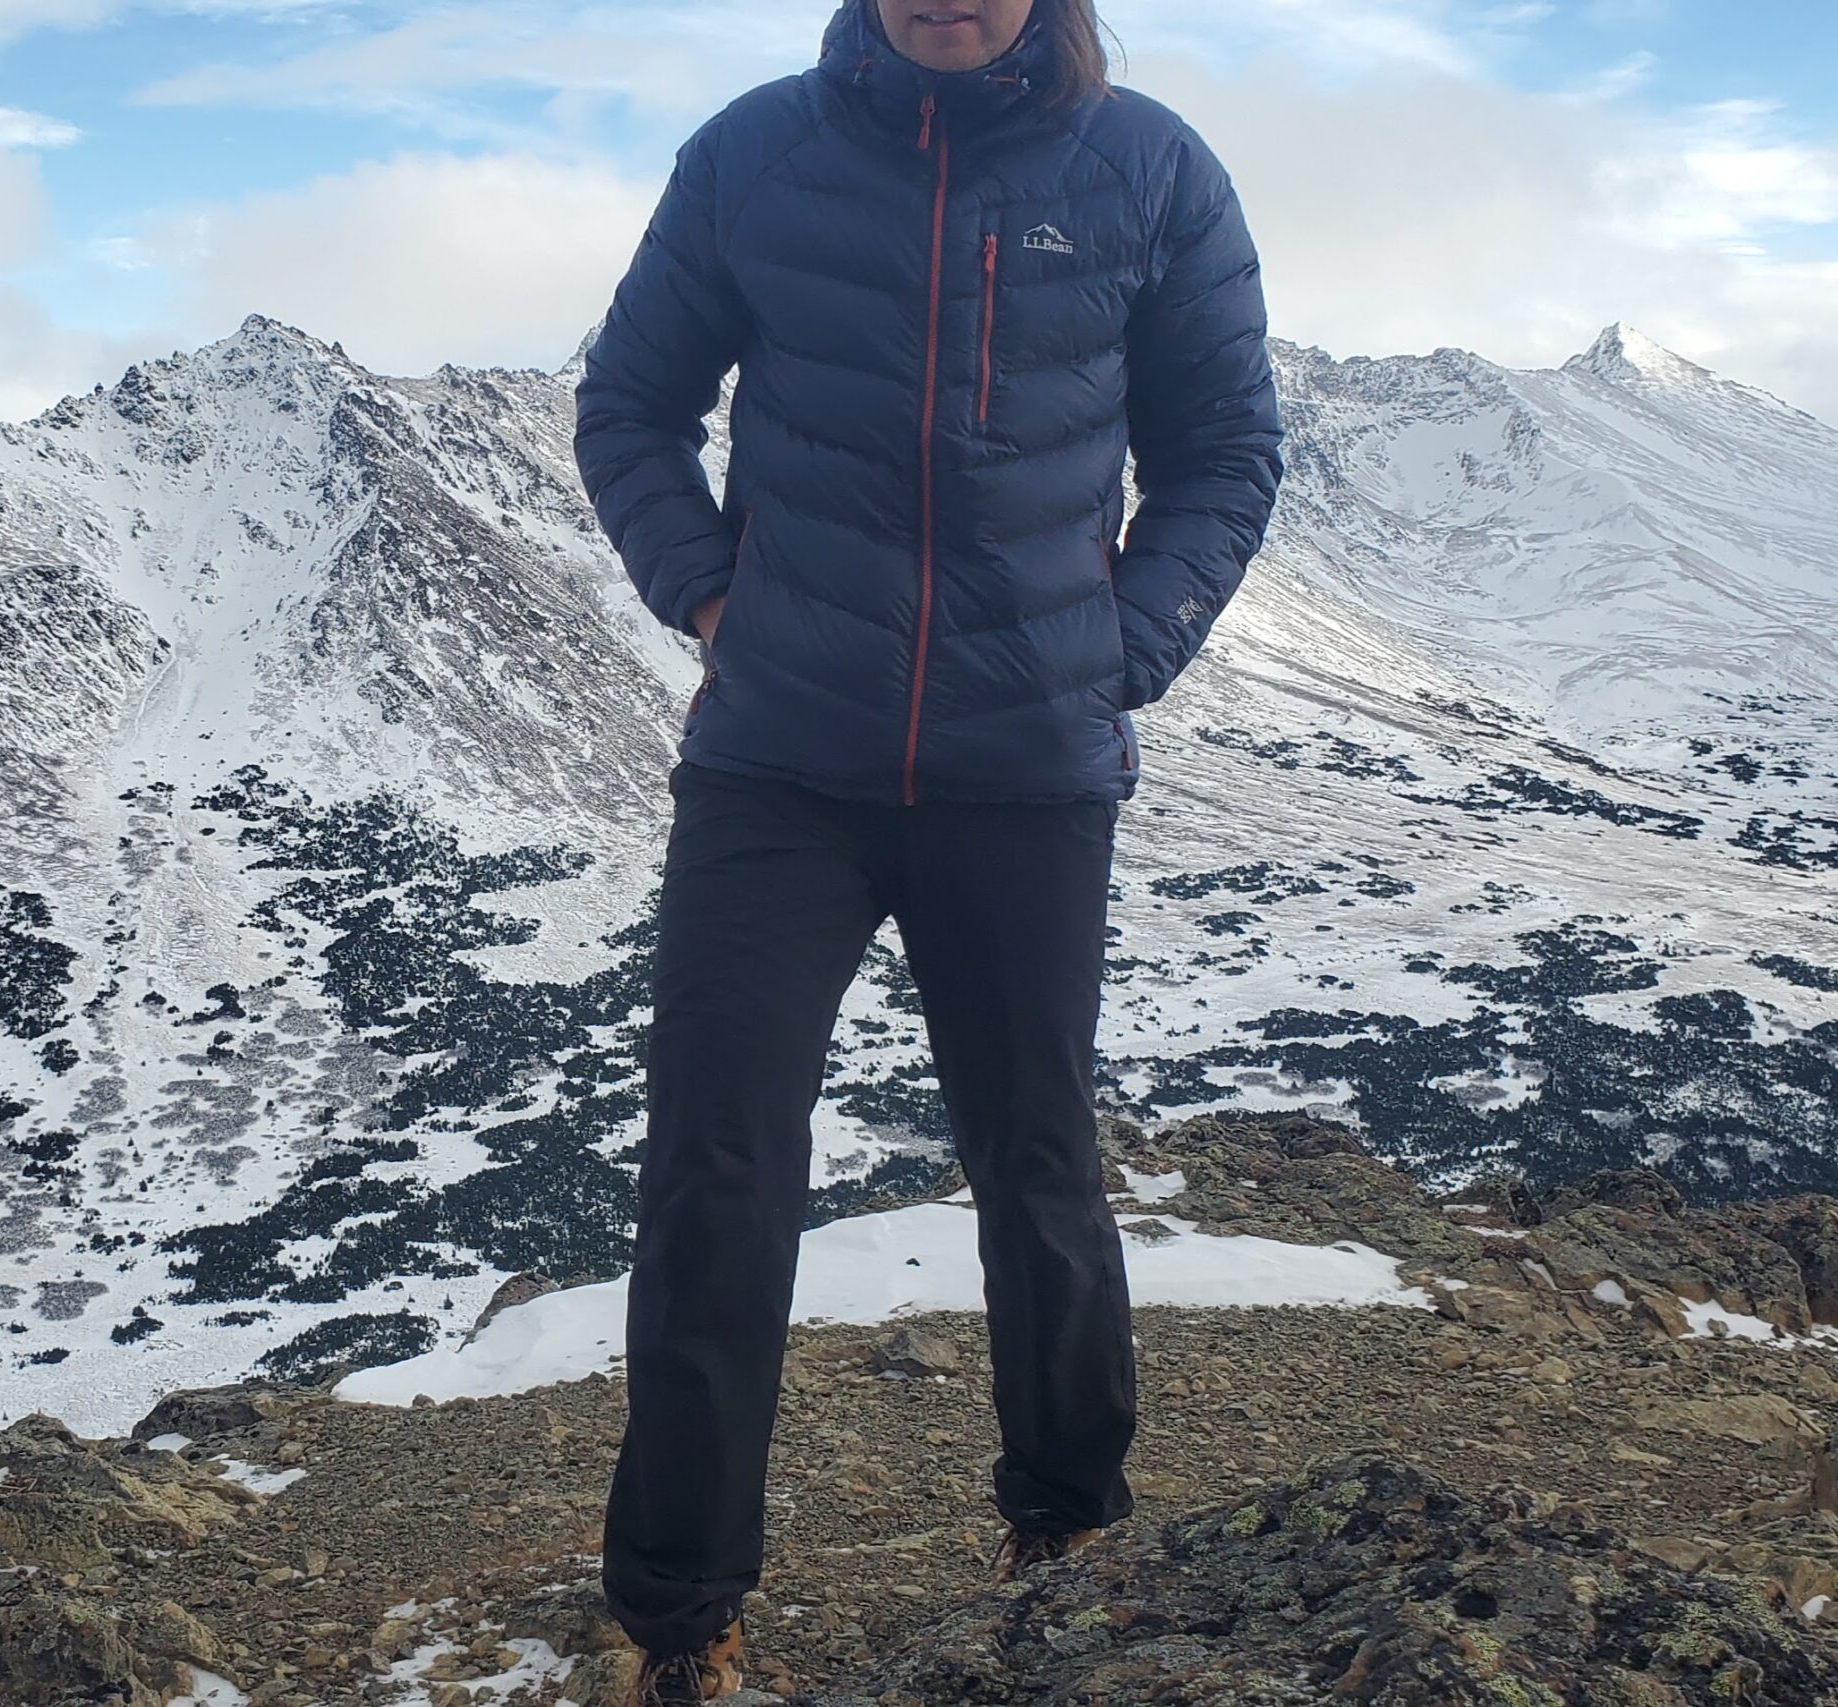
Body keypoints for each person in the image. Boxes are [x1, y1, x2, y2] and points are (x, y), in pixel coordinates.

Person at [572, 0, 1282, 1694]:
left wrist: (1115, 655)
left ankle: (1069, 1524)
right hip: (778, 768)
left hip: (1024, 774)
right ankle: (680, 1617)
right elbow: (630, 406)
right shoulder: (758, 151)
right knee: (714, 1173)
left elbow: (1226, 452)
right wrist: (715, 598)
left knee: (1036, 1162)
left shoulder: (1151, 170)